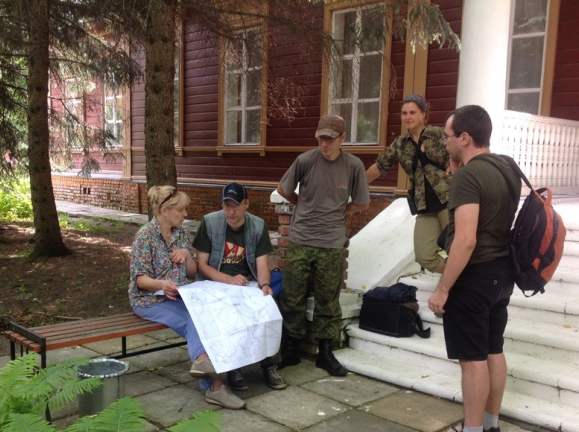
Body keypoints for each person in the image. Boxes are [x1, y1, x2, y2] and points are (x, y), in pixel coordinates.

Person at [427, 105, 521, 432]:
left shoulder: (469, 178)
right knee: (493, 349)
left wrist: (443, 288)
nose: (446, 142)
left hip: (475, 275)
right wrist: (457, 170)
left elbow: (466, 239)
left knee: (472, 358)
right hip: (502, 272)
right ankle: (489, 427)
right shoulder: (505, 166)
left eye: (449, 136)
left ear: (464, 138)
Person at [129, 185, 245, 410]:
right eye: (181, 210)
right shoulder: (145, 236)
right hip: (149, 300)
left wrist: (186, 254)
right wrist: (162, 284)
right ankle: (213, 382)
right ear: (164, 211)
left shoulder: (181, 232)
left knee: (210, 314)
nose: (185, 214)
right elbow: (140, 280)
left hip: (179, 296)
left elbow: (191, 272)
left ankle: (207, 368)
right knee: (193, 320)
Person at [276, 114, 370, 376]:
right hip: (301, 239)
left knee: (328, 300)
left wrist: (341, 211)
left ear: (342, 138)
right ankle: (291, 348)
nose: (324, 144)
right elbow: (283, 189)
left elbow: (362, 203)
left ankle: (325, 351)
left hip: (331, 243)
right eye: (320, 138)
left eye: (330, 138)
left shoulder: (353, 166)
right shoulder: (305, 160)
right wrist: (303, 205)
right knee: (292, 295)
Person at [193, 182, 287, 392]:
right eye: (227, 206)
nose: (231, 212)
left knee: (267, 308)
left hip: (247, 282)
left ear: (246, 203)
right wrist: (228, 279)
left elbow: (262, 265)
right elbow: (201, 265)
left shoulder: (258, 225)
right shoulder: (210, 222)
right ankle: (234, 367)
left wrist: (264, 286)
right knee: (230, 315)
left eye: (235, 206)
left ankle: (269, 365)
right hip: (215, 283)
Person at [366, 94, 450, 273]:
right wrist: (358, 184)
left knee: (457, 248)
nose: (408, 117)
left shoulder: (439, 135)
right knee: (425, 256)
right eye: (404, 113)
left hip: (448, 202)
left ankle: (460, 285)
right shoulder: (400, 144)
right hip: (424, 205)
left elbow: (458, 154)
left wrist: (454, 166)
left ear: (423, 114)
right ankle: (457, 276)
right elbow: (381, 166)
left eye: (413, 112)